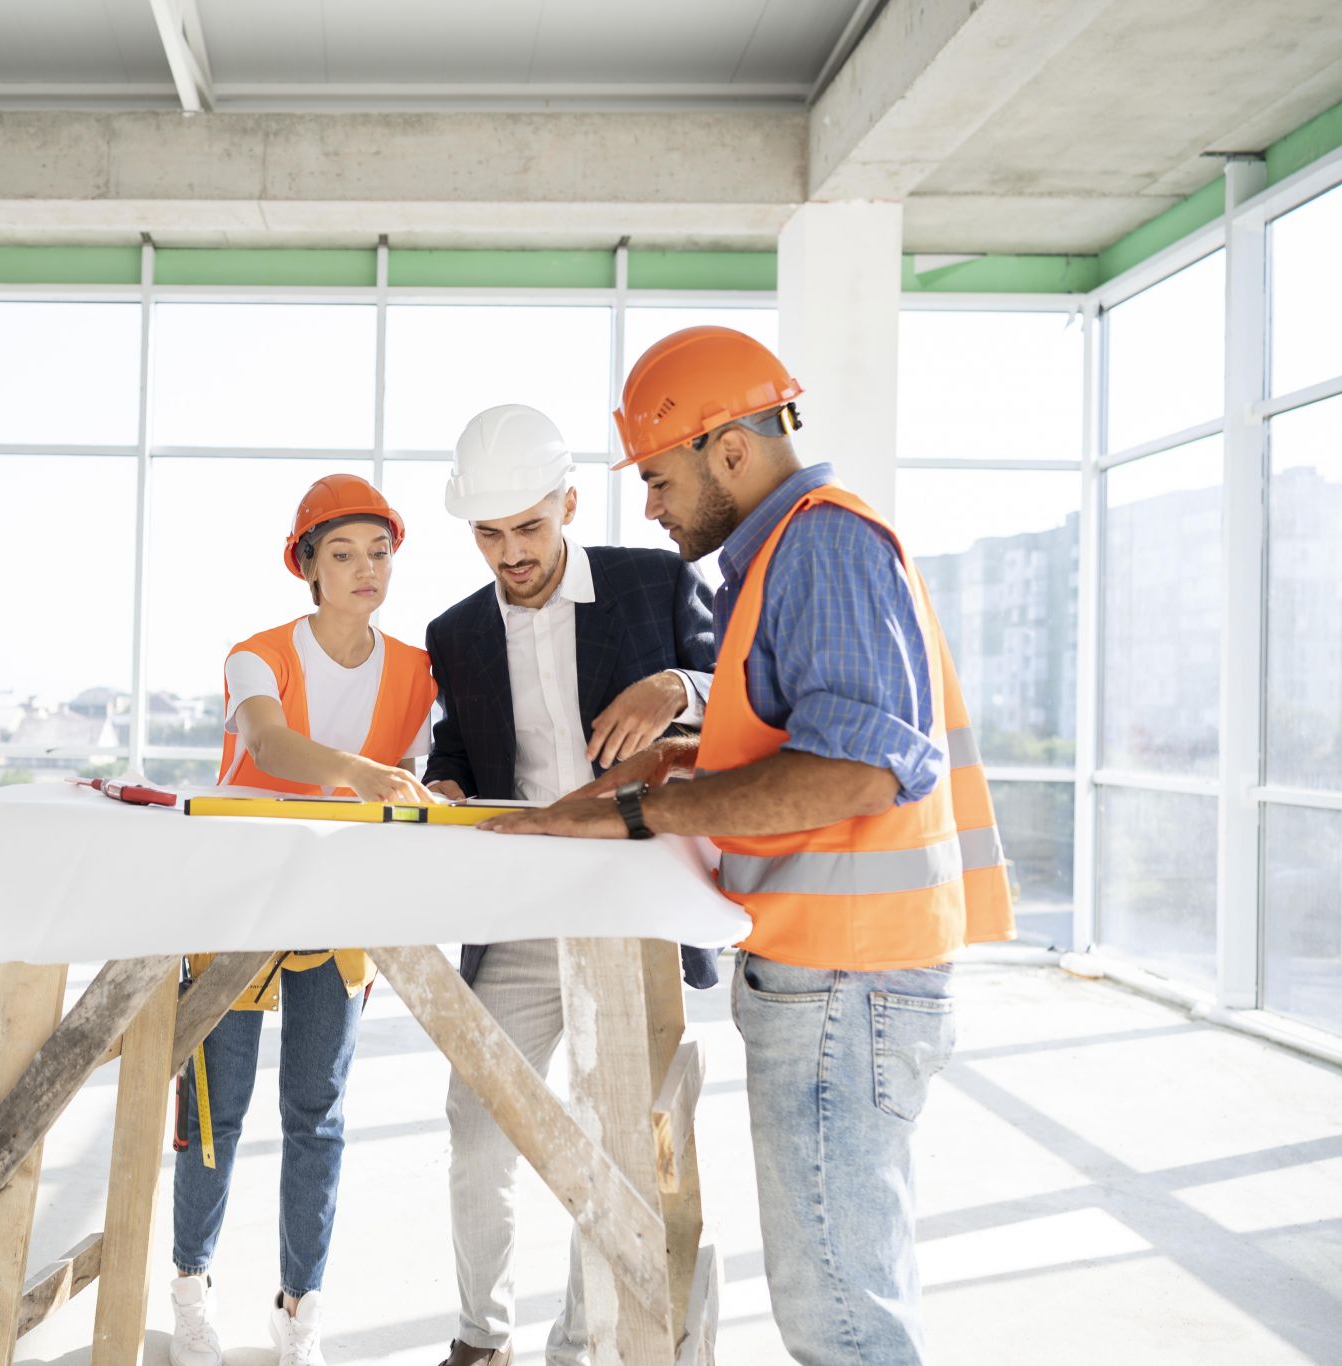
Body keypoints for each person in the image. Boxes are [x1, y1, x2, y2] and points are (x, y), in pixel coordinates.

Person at [483, 328, 1014, 1365]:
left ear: (727, 446)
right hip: (835, 975)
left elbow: (858, 768)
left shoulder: (821, 542)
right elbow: (788, 739)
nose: (648, 505)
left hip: (844, 979)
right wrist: (673, 763)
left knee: (839, 1317)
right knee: (848, 1292)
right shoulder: (780, 555)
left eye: (657, 475)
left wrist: (637, 815)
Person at [418, 404, 717, 1366]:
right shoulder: (453, 631)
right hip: (516, 913)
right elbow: (458, 752)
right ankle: (481, 1335)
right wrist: (443, 787)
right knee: (478, 1122)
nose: (510, 553)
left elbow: (738, 692)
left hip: (625, 906)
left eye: (529, 528)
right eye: (490, 535)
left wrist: (675, 686)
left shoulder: (652, 580)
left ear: (570, 506)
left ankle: (580, 1342)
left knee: (614, 1136)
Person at [171, 473, 439, 1366]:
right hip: (238, 894)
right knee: (218, 1109)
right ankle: (190, 1292)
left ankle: (299, 1312)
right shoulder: (257, 653)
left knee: (317, 1112)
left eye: (380, 552)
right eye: (342, 554)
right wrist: (363, 773)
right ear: (307, 566)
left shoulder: (416, 670)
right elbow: (269, 743)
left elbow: (422, 777)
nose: (365, 569)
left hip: (339, 901)